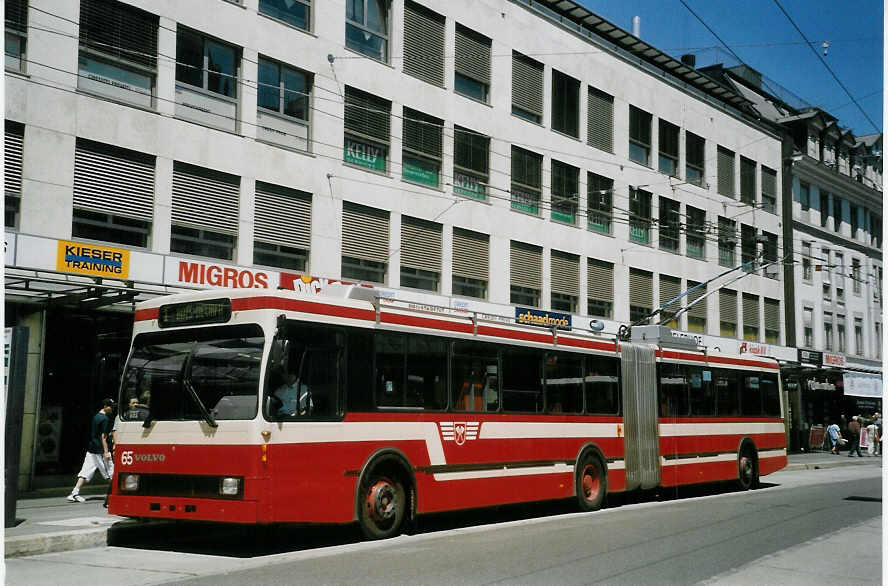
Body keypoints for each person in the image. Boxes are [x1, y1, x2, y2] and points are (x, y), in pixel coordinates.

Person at [67, 398, 116, 503]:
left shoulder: (96, 417)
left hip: (92, 449)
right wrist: (106, 452)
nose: (112, 409)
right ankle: (118, 494)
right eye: (111, 407)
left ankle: (74, 493)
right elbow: (103, 437)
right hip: (100, 451)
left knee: (85, 471)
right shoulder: (105, 419)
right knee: (110, 472)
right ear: (105, 407)